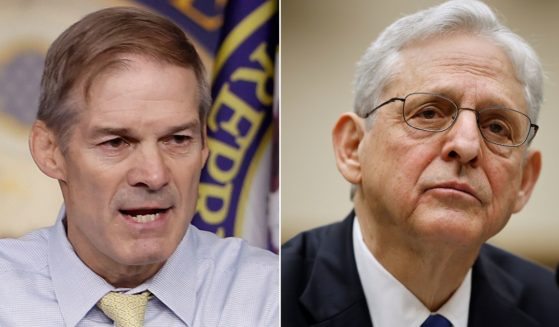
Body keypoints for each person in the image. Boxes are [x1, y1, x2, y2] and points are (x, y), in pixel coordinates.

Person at [282, 1, 559, 326]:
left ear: (524, 181)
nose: (467, 145)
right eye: (429, 113)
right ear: (353, 147)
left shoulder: (550, 307)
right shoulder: (271, 297)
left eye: (497, 127)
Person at [0, 7, 277, 327]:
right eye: (116, 143)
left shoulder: (269, 296)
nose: (154, 175)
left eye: (177, 139)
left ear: (204, 145)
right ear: (50, 151)